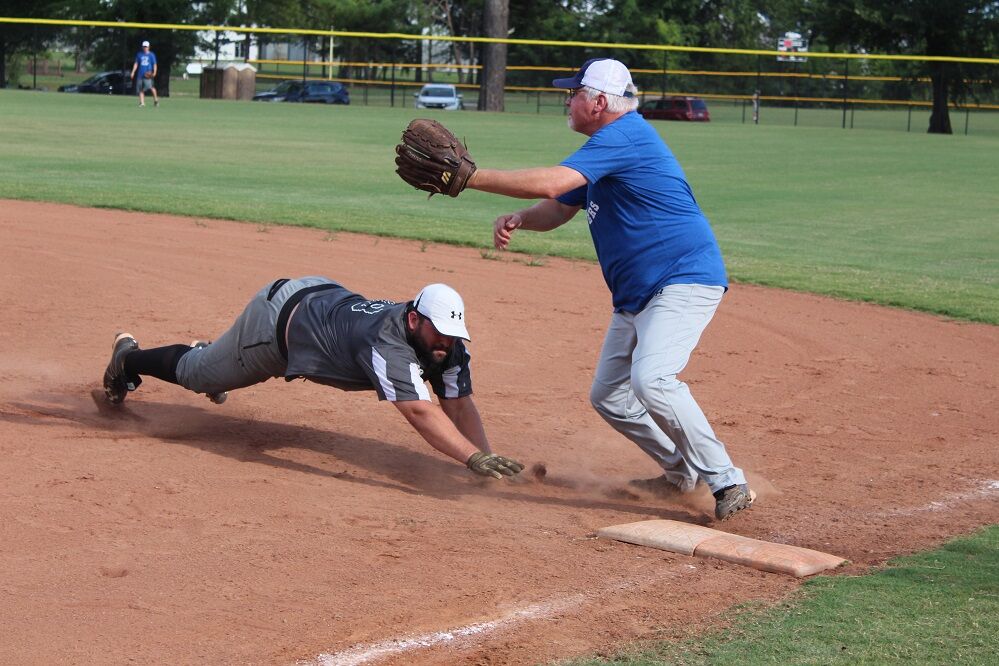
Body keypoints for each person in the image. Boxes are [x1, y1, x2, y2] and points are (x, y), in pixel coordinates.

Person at [464, 58, 754, 520]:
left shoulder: (625, 136)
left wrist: (472, 177)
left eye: (575, 93)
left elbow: (554, 180)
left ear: (599, 102)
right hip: (639, 293)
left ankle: (726, 480)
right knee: (609, 395)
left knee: (652, 379)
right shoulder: (607, 145)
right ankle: (682, 474)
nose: (568, 100)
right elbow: (558, 207)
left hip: (682, 278)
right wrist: (522, 218)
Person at [101, 278, 524, 480]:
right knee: (199, 374)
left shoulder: (444, 342)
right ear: (414, 319)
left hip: (318, 300)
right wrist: (472, 459)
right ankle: (128, 359)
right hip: (274, 328)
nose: (446, 346)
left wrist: (488, 463)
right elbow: (419, 409)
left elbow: (458, 404)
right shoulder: (387, 343)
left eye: (454, 338)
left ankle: (218, 354)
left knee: (215, 365)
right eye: (440, 335)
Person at [130, 40, 159, 107]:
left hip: (148, 75)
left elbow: (154, 64)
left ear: (149, 47)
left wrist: (154, 72)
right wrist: (133, 72)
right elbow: (136, 63)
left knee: (151, 88)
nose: (145, 48)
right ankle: (142, 103)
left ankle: (156, 100)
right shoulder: (139, 54)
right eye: (144, 46)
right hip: (140, 74)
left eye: (146, 46)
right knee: (140, 89)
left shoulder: (151, 55)